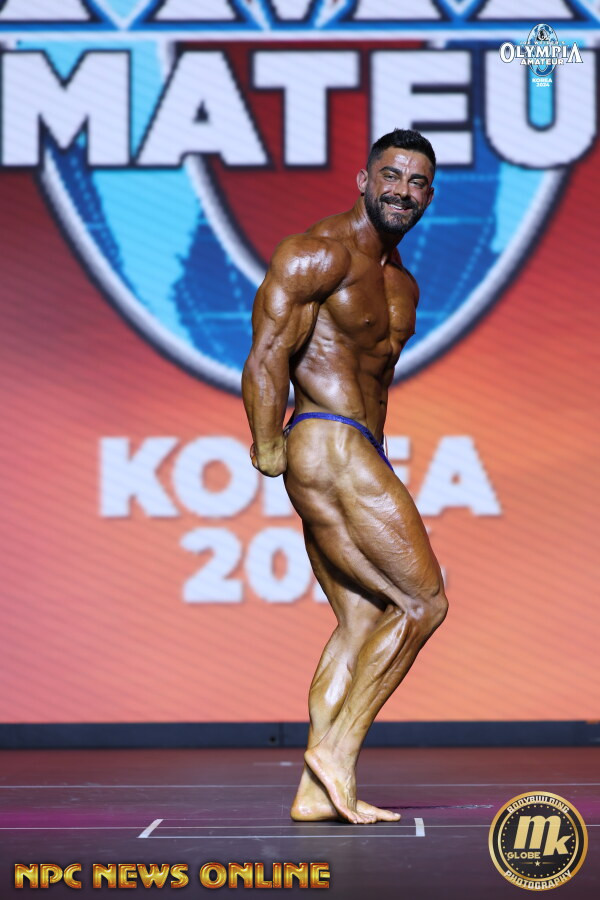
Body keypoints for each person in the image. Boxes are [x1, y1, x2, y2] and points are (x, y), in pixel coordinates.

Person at [242, 129, 448, 826]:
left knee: (362, 619)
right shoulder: (317, 253)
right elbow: (267, 353)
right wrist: (266, 442)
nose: (402, 191)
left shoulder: (403, 283)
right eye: (391, 175)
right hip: (326, 438)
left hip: (361, 448)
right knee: (423, 603)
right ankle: (337, 750)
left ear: (428, 196)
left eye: (417, 182)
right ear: (364, 180)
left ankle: (313, 791)